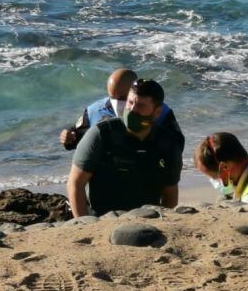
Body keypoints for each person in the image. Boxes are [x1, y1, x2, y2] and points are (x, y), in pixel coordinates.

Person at [67, 78, 184, 217]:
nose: (132, 109)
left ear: (157, 112)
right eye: (130, 102)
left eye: (140, 105)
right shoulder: (101, 134)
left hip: (148, 219)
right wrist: (84, 224)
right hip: (101, 219)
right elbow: (75, 184)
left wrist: (165, 223)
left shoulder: (167, 143)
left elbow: (170, 192)